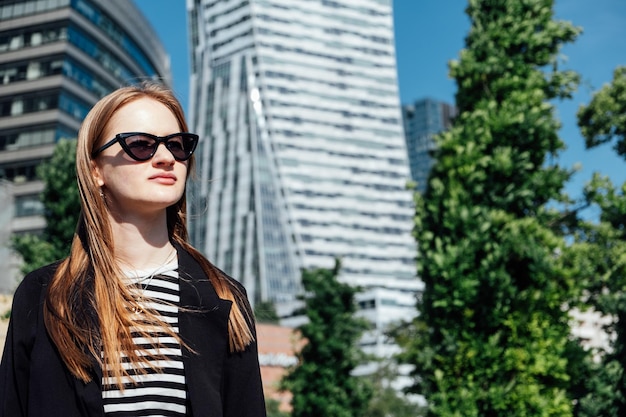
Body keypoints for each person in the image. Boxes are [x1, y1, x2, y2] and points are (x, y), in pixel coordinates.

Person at [0, 82, 266, 417]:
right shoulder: (44, 295)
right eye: (141, 145)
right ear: (96, 169)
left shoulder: (223, 297)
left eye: (178, 145)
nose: (167, 158)